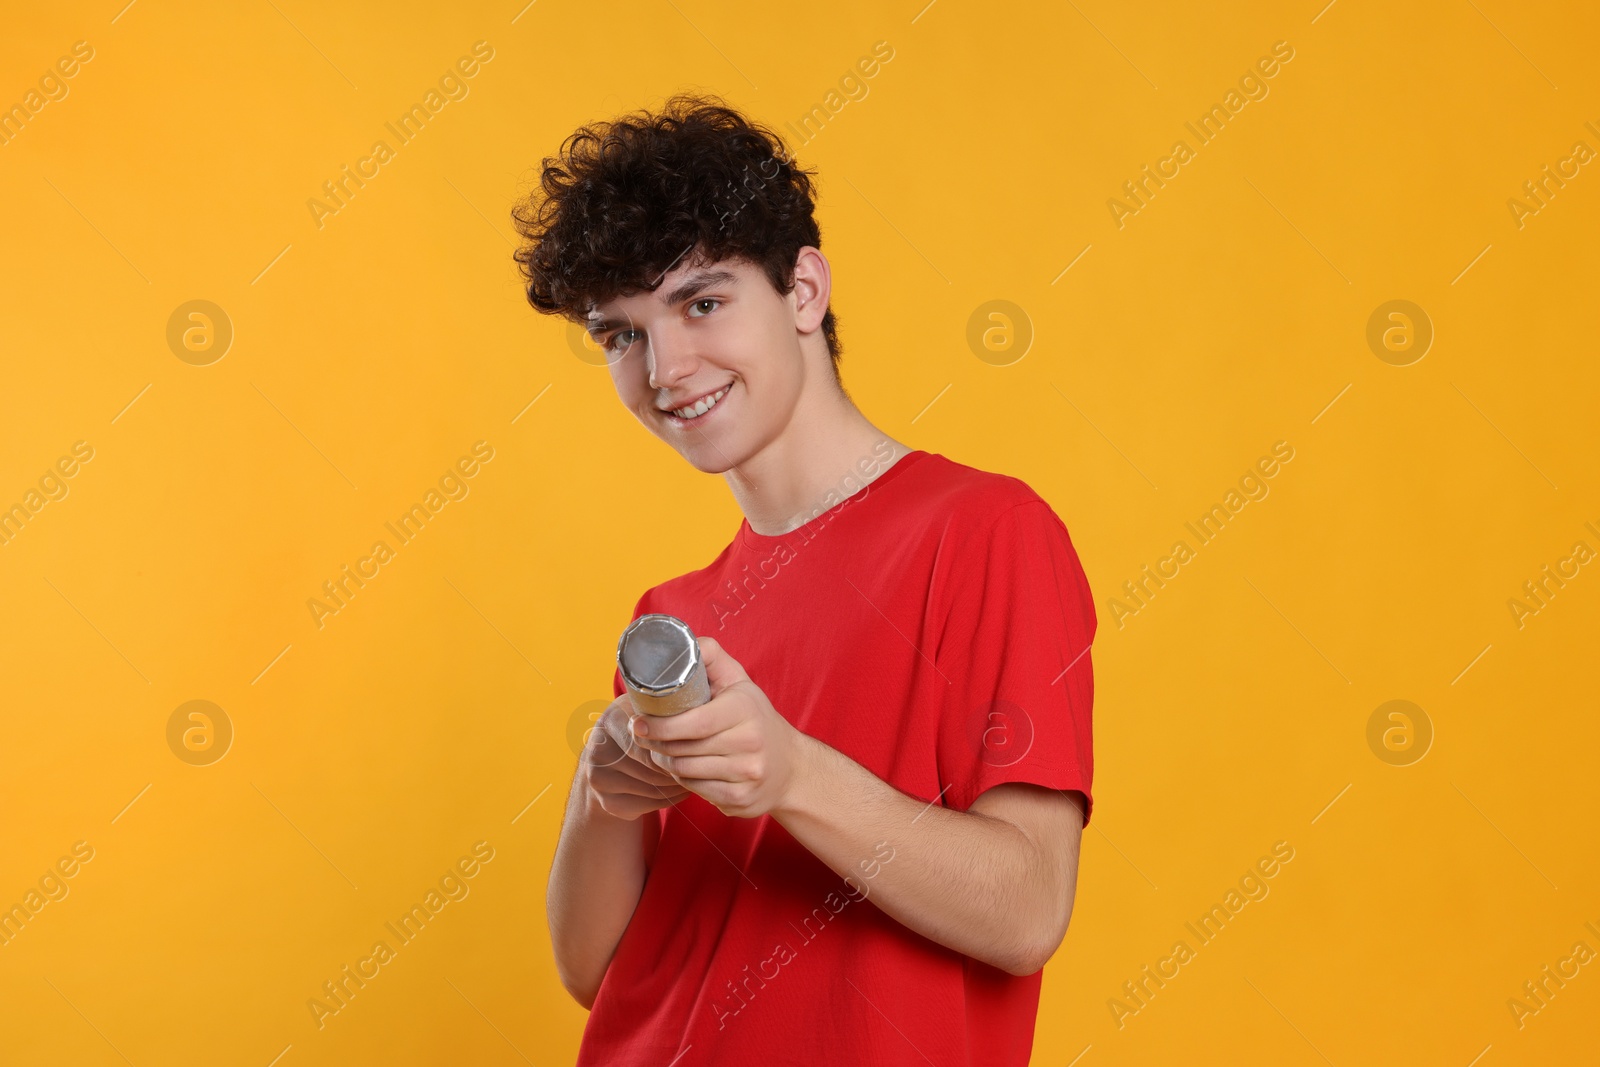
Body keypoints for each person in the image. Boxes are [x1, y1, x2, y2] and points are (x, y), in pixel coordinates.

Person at [512, 92, 1097, 1066]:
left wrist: (788, 773)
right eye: (620, 333)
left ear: (803, 292)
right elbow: (598, 970)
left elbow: (1028, 906)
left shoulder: (985, 532)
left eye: (701, 302)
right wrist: (601, 790)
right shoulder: (674, 616)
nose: (664, 366)